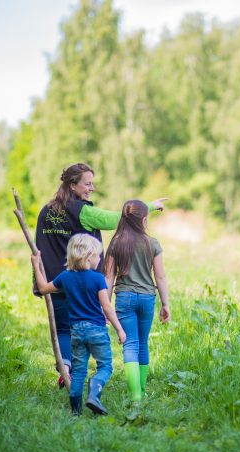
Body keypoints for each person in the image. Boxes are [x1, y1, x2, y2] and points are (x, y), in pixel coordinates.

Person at [34, 162, 165, 389]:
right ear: (72, 185)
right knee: (89, 326)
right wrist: (150, 206)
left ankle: (66, 366)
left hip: (54, 280)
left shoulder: (46, 212)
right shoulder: (83, 212)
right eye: (87, 183)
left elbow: (40, 246)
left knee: (64, 329)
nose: (91, 188)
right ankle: (94, 370)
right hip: (82, 283)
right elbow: (122, 218)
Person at [31, 234, 126, 416]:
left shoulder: (65, 277)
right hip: (97, 330)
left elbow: (43, 289)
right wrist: (120, 329)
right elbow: (106, 307)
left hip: (76, 331)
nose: (100, 258)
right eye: (98, 255)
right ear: (88, 256)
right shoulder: (98, 279)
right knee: (105, 366)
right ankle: (94, 389)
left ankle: (75, 412)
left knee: (79, 370)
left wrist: (36, 264)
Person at [104, 199, 170, 402]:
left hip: (124, 298)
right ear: (143, 219)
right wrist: (165, 304)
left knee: (130, 344)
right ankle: (141, 389)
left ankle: (136, 396)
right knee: (143, 343)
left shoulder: (116, 243)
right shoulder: (152, 243)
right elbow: (160, 276)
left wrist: (104, 306)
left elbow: (108, 277)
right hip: (147, 298)